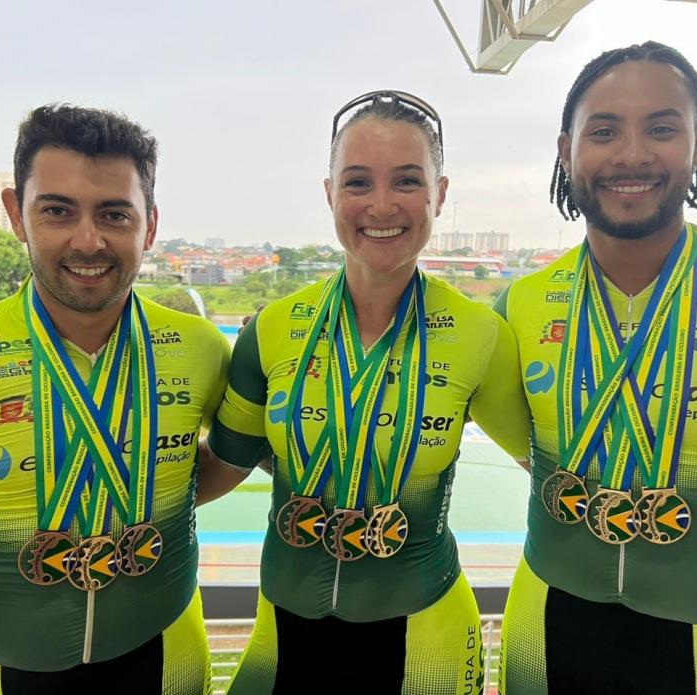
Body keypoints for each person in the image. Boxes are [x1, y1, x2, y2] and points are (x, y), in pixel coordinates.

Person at [494, 41, 697, 695]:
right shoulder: (520, 305)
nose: (631, 154)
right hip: (541, 636)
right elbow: (530, 448)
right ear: (566, 151)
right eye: (603, 130)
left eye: (660, 128)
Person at [0, 104, 229, 694]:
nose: (88, 240)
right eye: (58, 211)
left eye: (115, 213)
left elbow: (251, 454)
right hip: (3, 674)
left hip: (170, 663)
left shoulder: (204, 350)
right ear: (17, 215)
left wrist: (156, 495)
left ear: (149, 225)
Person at [200, 90, 531, 694]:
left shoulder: (483, 335)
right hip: (285, 633)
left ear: (441, 193)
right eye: (357, 182)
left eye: (407, 180)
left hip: (425, 638)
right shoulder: (271, 330)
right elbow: (217, 469)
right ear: (329, 193)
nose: (382, 205)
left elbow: (550, 461)